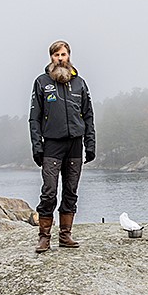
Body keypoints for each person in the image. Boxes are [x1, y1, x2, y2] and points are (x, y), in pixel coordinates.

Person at [29, 40, 96, 253]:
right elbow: (34, 118)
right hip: (52, 145)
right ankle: (44, 237)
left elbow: (88, 115)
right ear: (51, 57)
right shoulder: (42, 82)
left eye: (64, 54)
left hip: (75, 145)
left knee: (71, 191)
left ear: (69, 56)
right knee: (49, 192)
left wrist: (90, 144)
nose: (60, 58)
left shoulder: (80, 83)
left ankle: (65, 235)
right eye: (56, 54)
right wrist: (37, 146)